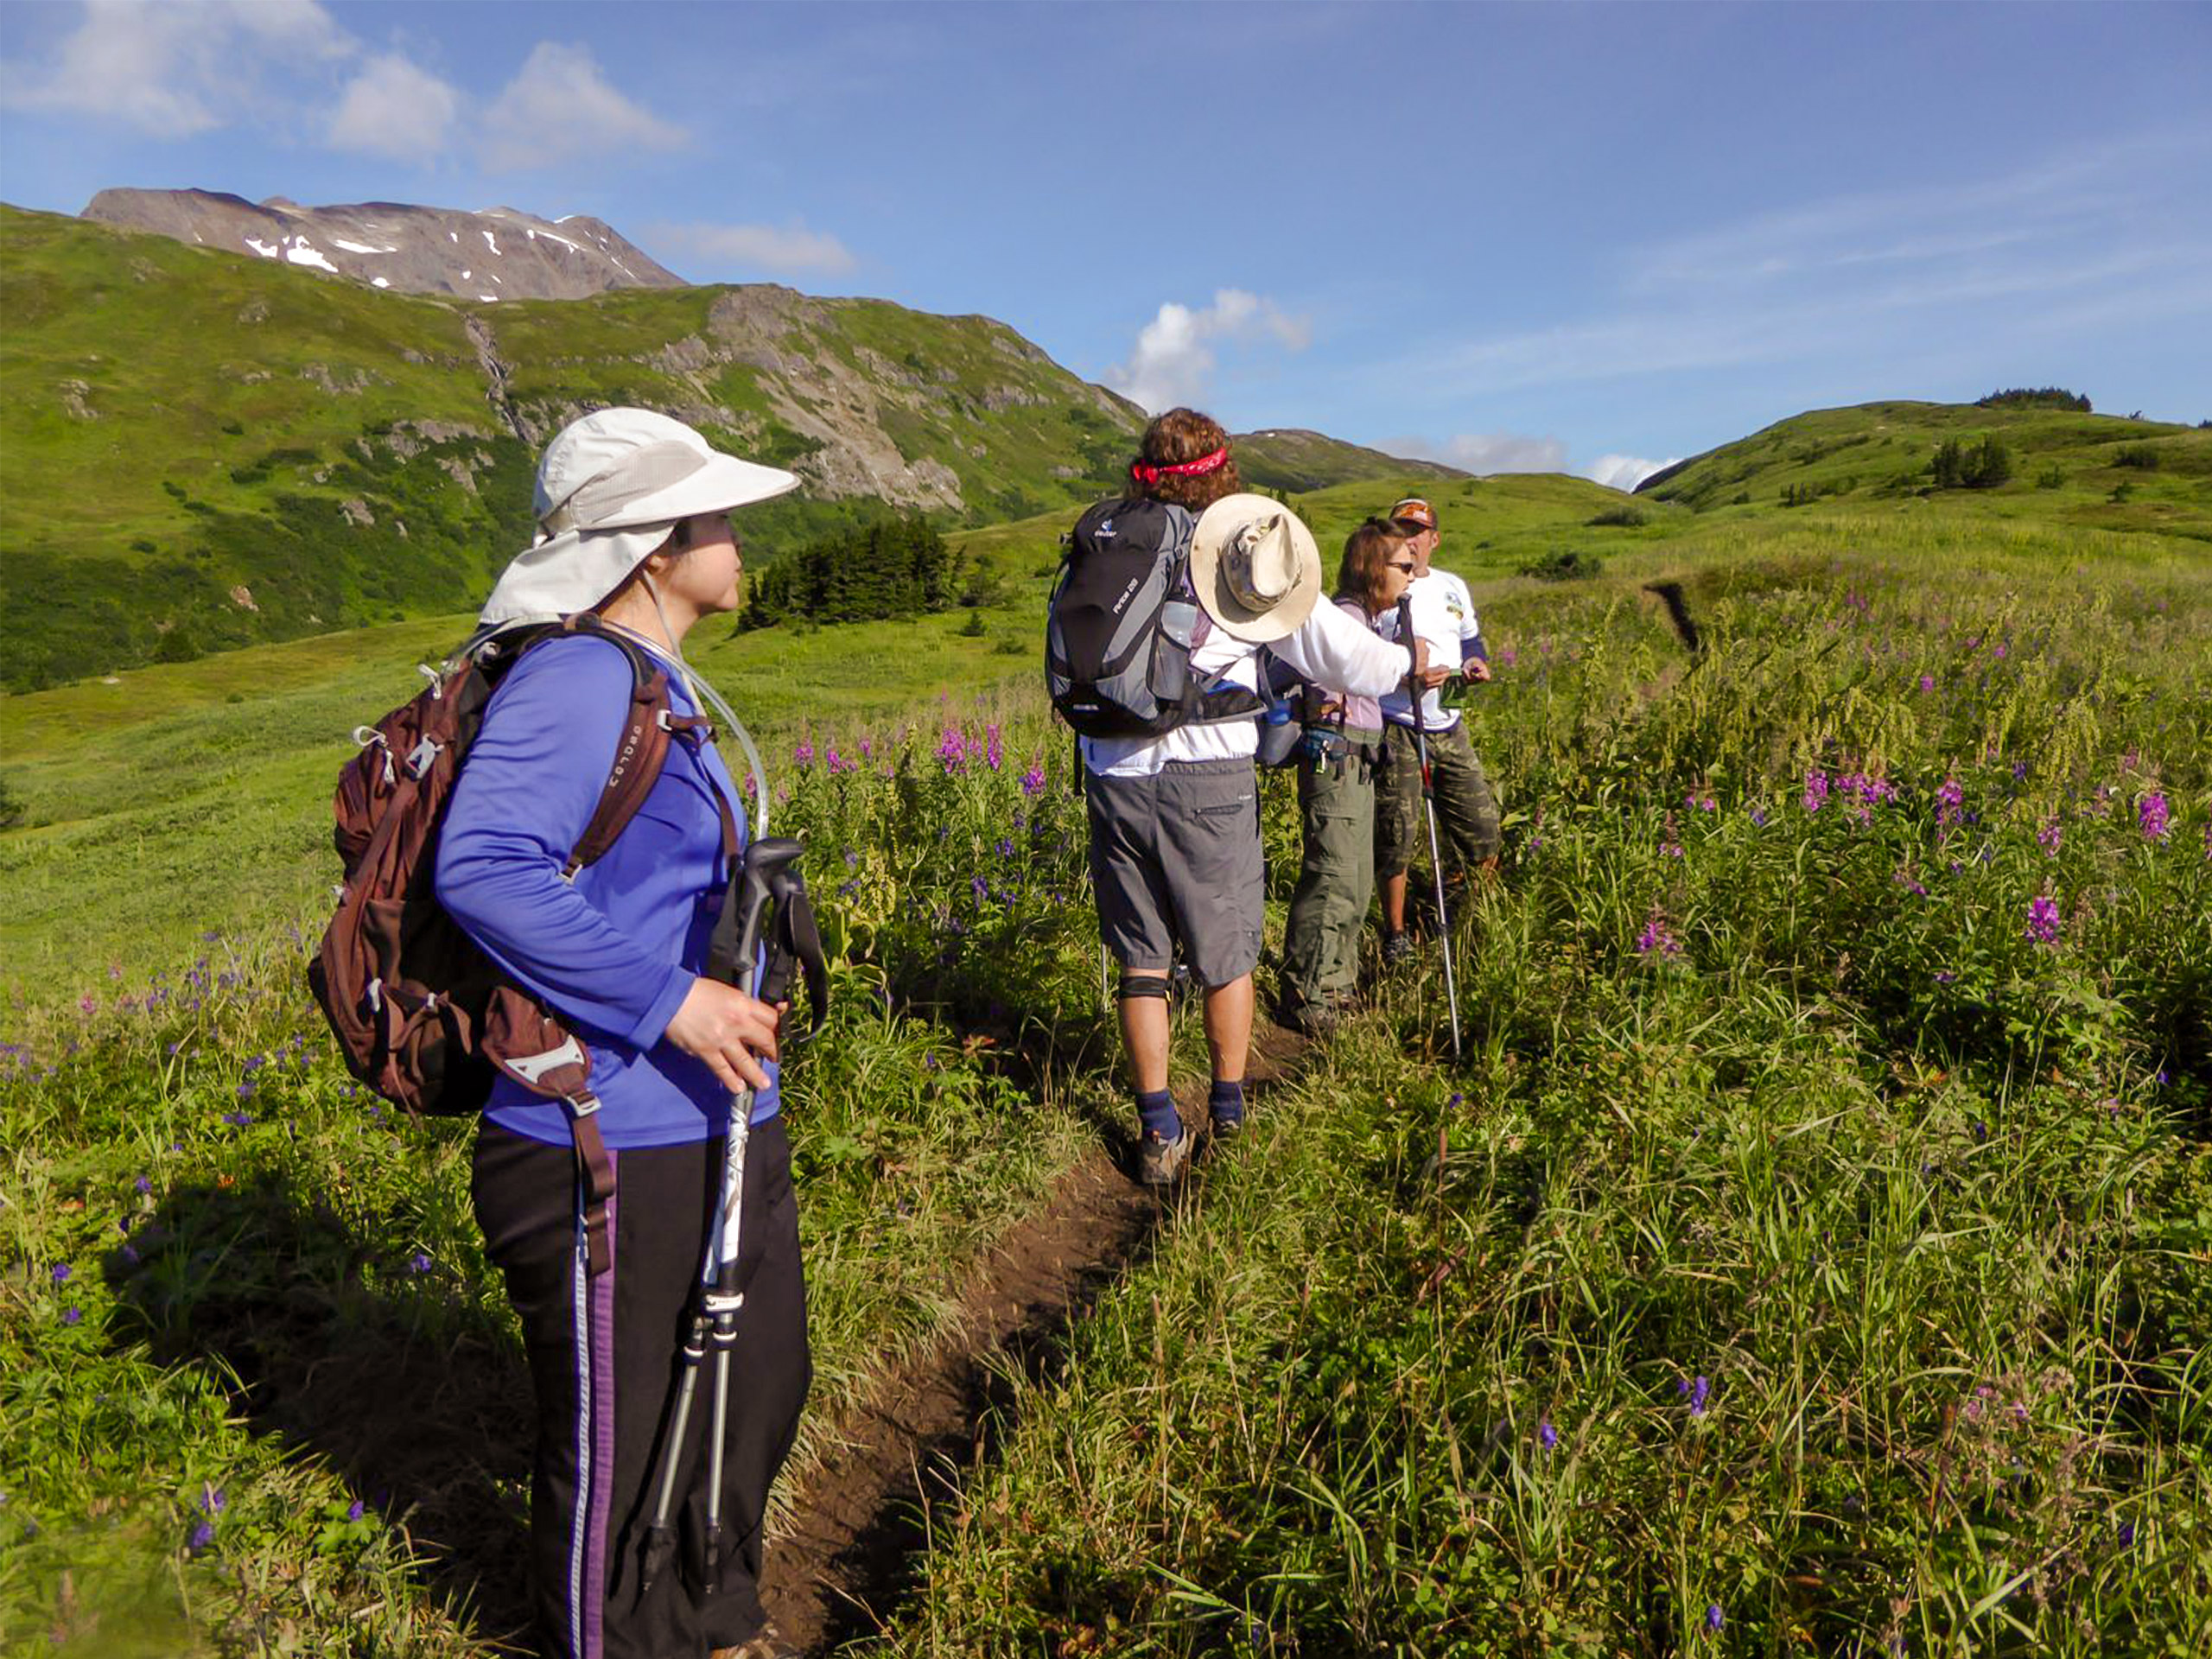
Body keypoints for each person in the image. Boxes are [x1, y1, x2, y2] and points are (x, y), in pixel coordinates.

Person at [435, 408, 808, 1659]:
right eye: (712, 515)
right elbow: (482, 868)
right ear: (651, 547)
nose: (736, 533)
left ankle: (709, 1622)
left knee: (749, 1393)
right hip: (599, 1134)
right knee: (623, 1457)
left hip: (704, 1119)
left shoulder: (659, 680)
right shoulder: (582, 672)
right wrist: (675, 1002)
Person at [1077, 410, 1423, 1183]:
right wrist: (1407, 669)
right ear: (1224, 476)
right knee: (1227, 951)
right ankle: (1228, 1113)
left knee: (1142, 959)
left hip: (1111, 773)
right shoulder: (1243, 558)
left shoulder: (1109, 545)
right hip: (1209, 777)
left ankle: (1159, 1131)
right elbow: (1343, 659)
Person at [1275, 518, 1421, 1033]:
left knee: (1356, 877)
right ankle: (1309, 992)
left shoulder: (1366, 622)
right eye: (1403, 565)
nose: (1412, 574)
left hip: (1356, 756)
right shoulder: (1343, 620)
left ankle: (1336, 983)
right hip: (1334, 754)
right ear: (1371, 567)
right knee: (1335, 872)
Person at [1372, 495, 1501, 963]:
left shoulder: (1452, 586)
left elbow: (1471, 636)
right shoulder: (1381, 587)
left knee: (1482, 826)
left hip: (1449, 719)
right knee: (1396, 833)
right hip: (1399, 722)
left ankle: (1473, 913)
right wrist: (1407, 677)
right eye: (1401, 531)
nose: (1410, 540)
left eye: (1418, 533)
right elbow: (1362, 658)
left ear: (1434, 540)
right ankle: (1396, 933)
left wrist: (1475, 662)